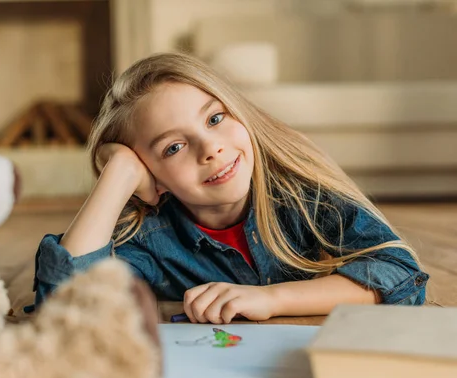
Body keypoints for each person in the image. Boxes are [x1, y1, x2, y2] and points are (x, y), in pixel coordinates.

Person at [30, 52, 428, 324]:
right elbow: (67, 305)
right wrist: (118, 173)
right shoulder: (151, 238)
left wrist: (274, 299)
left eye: (216, 118)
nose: (211, 148)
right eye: (173, 147)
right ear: (152, 176)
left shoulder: (299, 192)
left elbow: (401, 274)